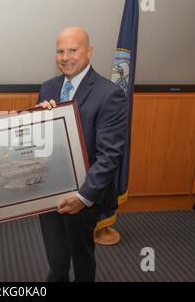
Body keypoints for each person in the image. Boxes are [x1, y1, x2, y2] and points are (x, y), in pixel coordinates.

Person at [36, 27, 128, 282]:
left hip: (83, 196)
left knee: (82, 260)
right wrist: (34, 122)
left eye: (73, 50)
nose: (65, 57)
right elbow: (38, 145)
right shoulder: (47, 89)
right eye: (60, 51)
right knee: (56, 262)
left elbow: (110, 155)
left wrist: (84, 196)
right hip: (48, 193)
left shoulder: (109, 94)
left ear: (89, 52)